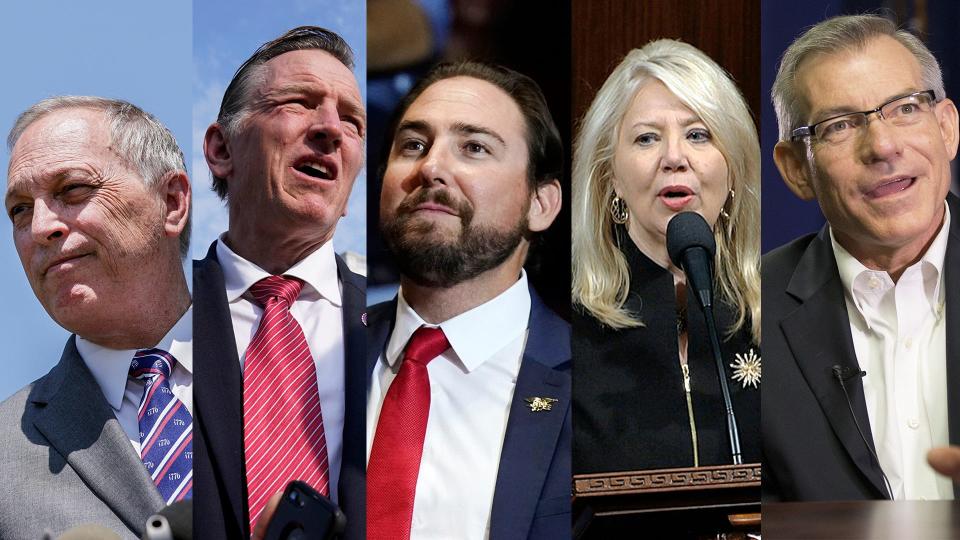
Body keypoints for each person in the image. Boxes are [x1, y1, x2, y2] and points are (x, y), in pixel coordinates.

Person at [367, 61, 567, 540]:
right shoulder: (319, 358)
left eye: (474, 148)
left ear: (540, 204)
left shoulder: (593, 381)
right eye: (413, 145)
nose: (431, 167)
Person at [765, 14, 959, 501]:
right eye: (840, 125)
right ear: (796, 170)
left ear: (947, 128)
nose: (883, 145)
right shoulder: (747, 311)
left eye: (906, 109)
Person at [193, 26, 367, 539]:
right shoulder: (159, 325)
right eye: (299, 102)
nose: (331, 129)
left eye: (353, 121)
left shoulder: (398, 335)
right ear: (222, 149)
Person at [0, 97, 191, 539]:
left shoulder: (290, 369)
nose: (41, 226)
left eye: (72, 190)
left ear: (172, 201)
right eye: (20, 209)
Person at [571, 40, 762, 475]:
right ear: (612, 177)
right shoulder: (565, 329)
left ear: (732, 168)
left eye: (698, 135)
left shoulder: (783, 316)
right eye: (646, 138)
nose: (674, 158)